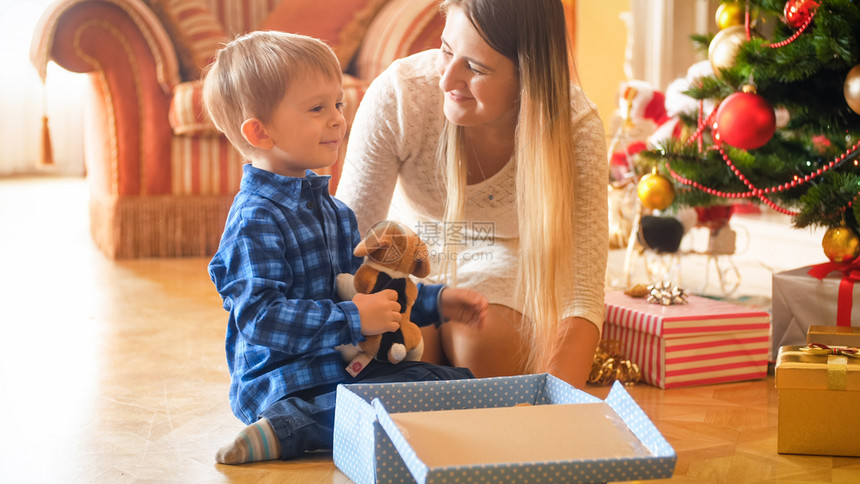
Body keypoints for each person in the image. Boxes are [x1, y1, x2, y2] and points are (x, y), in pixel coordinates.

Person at [203, 31, 487, 465]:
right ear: (259, 132)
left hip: (347, 366)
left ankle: (318, 420)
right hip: (285, 379)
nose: (338, 119)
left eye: (338, 104)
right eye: (318, 109)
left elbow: (364, 287)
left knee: (456, 386)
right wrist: (353, 318)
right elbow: (259, 319)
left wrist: (438, 300)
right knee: (394, 405)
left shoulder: (335, 212)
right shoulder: (255, 218)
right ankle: (287, 428)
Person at [336, 0, 608, 389]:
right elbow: (349, 246)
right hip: (411, 255)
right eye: (447, 50)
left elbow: (581, 293)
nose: (446, 80)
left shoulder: (574, 125)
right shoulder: (400, 95)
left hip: (507, 256)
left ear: (528, 76)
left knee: (481, 345)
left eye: (475, 68)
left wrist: (555, 411)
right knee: (406, 358)